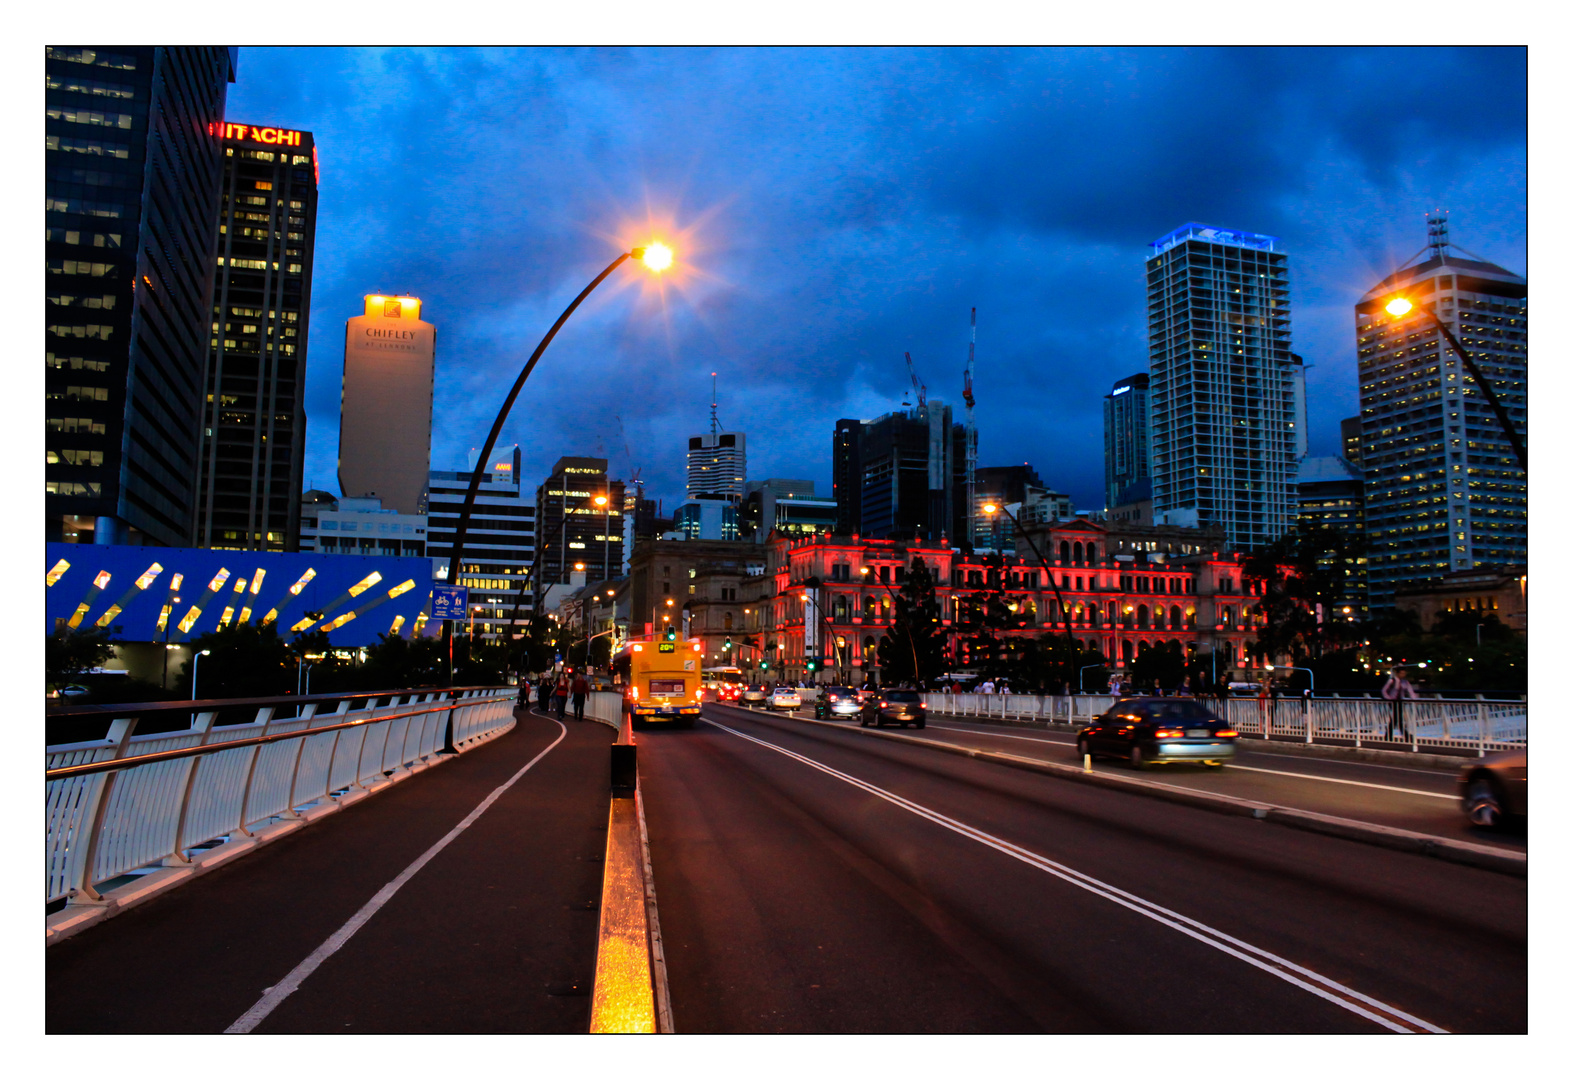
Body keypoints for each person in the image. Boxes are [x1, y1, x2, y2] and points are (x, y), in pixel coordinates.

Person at [1381, 667, 1418, 738]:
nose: (1403, 675)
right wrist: (1389, 699)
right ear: (1397, 673)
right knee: (1397, 718)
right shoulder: (1392, 681)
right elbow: (1384, 690)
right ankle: (1405, 735)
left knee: (1396, 719)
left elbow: (1410, 691)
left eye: (1404, 673)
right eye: (1401, 673)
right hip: (1393, 701)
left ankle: (1389, 736)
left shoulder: (1405, 682)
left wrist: (1414, 699)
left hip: (1400, 701)